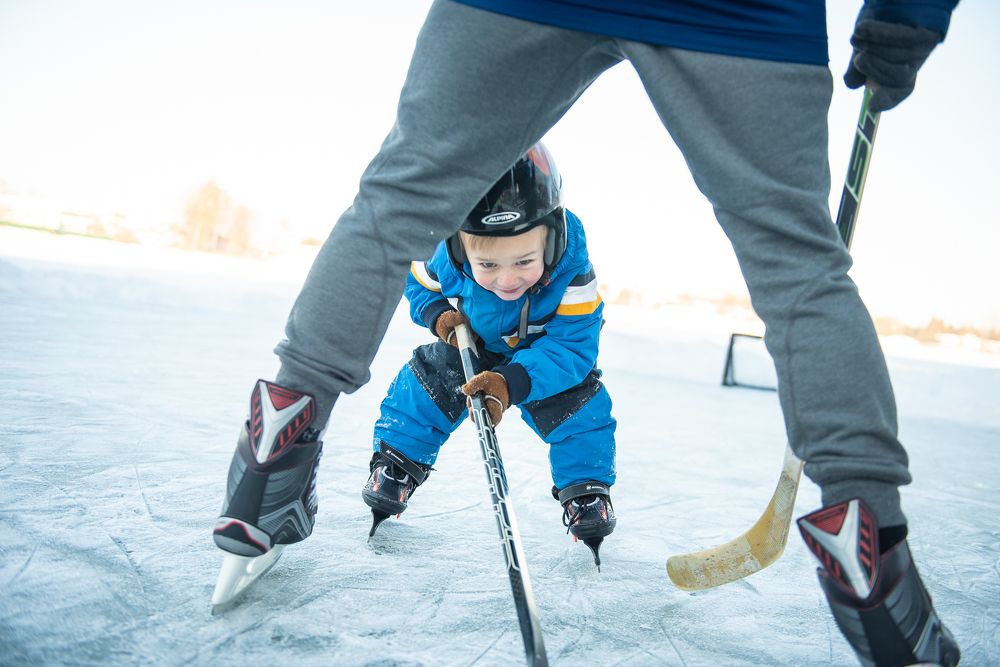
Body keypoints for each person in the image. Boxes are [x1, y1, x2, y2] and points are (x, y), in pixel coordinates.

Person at [213, 1, 961, 664]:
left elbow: (571, 343)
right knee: (798, 263)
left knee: (395, 203)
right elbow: (432, 283)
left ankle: (277, 449)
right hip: (740, 13)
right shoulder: (459, 265)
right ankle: (870, 544)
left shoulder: (573, 268)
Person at [360, 142, 616, 565]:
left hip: (543, 358)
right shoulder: (444, 256)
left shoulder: (573, 275)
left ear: (552, 242)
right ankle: (397, 464)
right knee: (425, 380)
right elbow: (416, 281)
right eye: (489, 267)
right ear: (461, 250)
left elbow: (573, 347)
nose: (507, 279)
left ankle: (585, 491)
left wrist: (512, 382)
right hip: (475, 344)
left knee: (583, 407)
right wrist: (438, 314)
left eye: (523, 261)